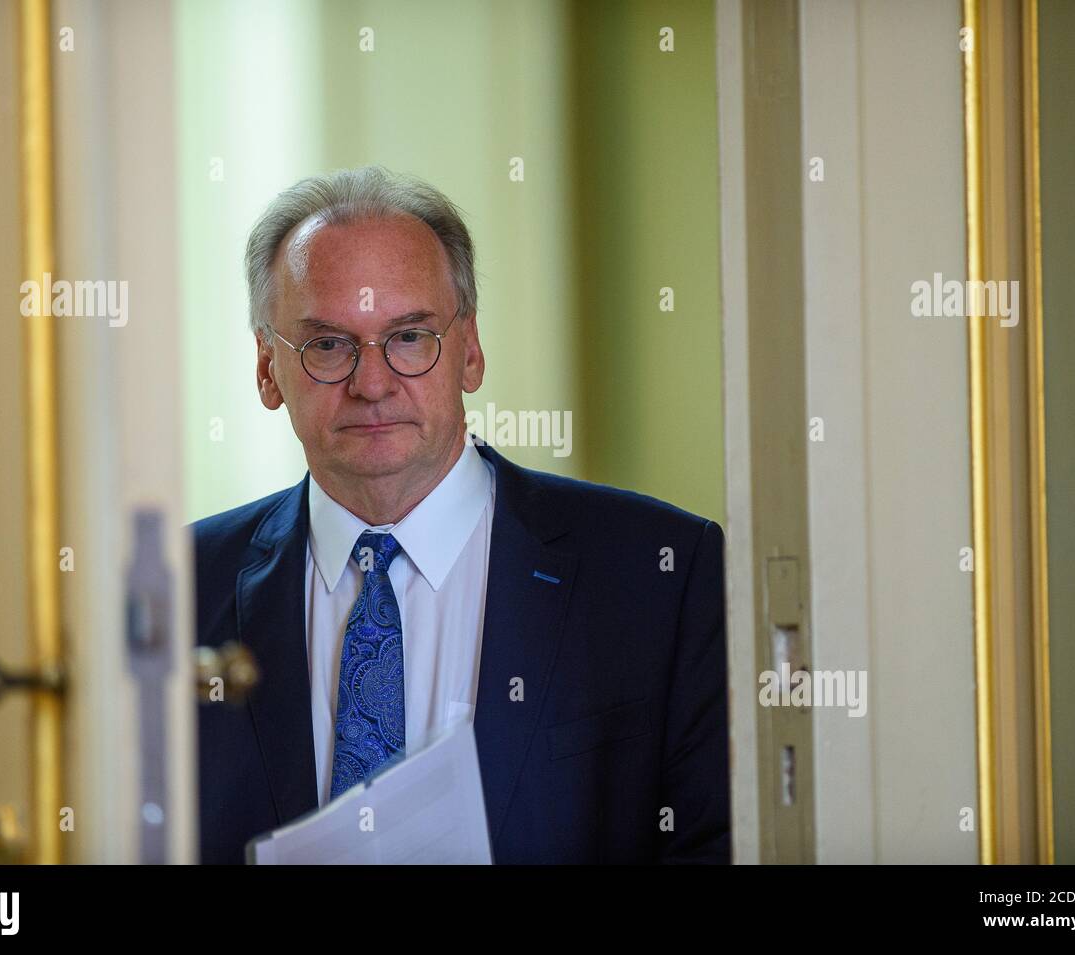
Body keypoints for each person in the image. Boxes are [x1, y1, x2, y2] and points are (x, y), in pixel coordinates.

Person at [193, 166, 730, 863]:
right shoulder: (179, 589)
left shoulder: (662, 574)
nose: (373, 382)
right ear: (268, 367)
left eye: (410, 336)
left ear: (469, 349)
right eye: (328, 344)